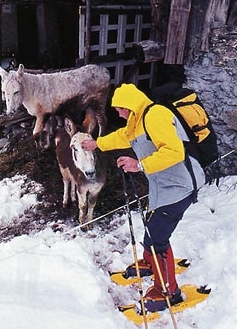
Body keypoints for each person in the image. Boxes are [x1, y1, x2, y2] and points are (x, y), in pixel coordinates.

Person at [81, 83, 205, 313]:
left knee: (158, 236)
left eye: (119, 109)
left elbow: (174, 151)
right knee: (151, 226)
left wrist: (138, 165)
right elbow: (124, 137)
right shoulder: (137, 120)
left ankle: (169, 292)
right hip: (163, 186)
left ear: (129, 106)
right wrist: (97, 144)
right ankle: (151, 263)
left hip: (180, 186)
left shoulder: (155, 115)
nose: (118, 113)